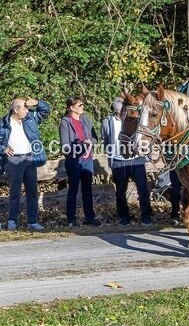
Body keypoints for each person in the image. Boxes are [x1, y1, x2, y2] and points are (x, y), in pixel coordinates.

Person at [0, 97, 51, 230]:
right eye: (25, 108)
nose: (27, 110)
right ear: (16, 110)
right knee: (15, 193)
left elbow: (46, 111)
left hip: (29, 158)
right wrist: (3, 149)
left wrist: (37, 103)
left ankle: (32, 221)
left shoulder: (30, 119)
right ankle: (12, 221)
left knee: (32, 192)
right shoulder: (3, 123)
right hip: (14, 161)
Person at [103, 97, 153, 225]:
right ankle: (124, 217)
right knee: (120, 191)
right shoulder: (108, 121)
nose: (125, 112)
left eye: (126, 110)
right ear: (116, 110)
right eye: (122, 110)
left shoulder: (136, 119)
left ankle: (146, 216)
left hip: (136, 160)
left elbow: (146, 134)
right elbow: (106, 139)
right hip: (118, 161)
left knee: (143, 189)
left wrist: (147, 153)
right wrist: (111, 154)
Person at [60, 97, 100, 227]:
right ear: (71, 108)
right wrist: (82, 146)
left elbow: (95, 138)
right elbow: (65, 146)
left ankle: (90, 217)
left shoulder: (85, 119)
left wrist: (90, 142)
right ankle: (71, 219)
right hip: (74, 160)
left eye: (83, 104)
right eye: (80, 105)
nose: (83, 107)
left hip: (87, 160)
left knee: (87, 190)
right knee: (73, 189)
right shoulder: (65, 122)